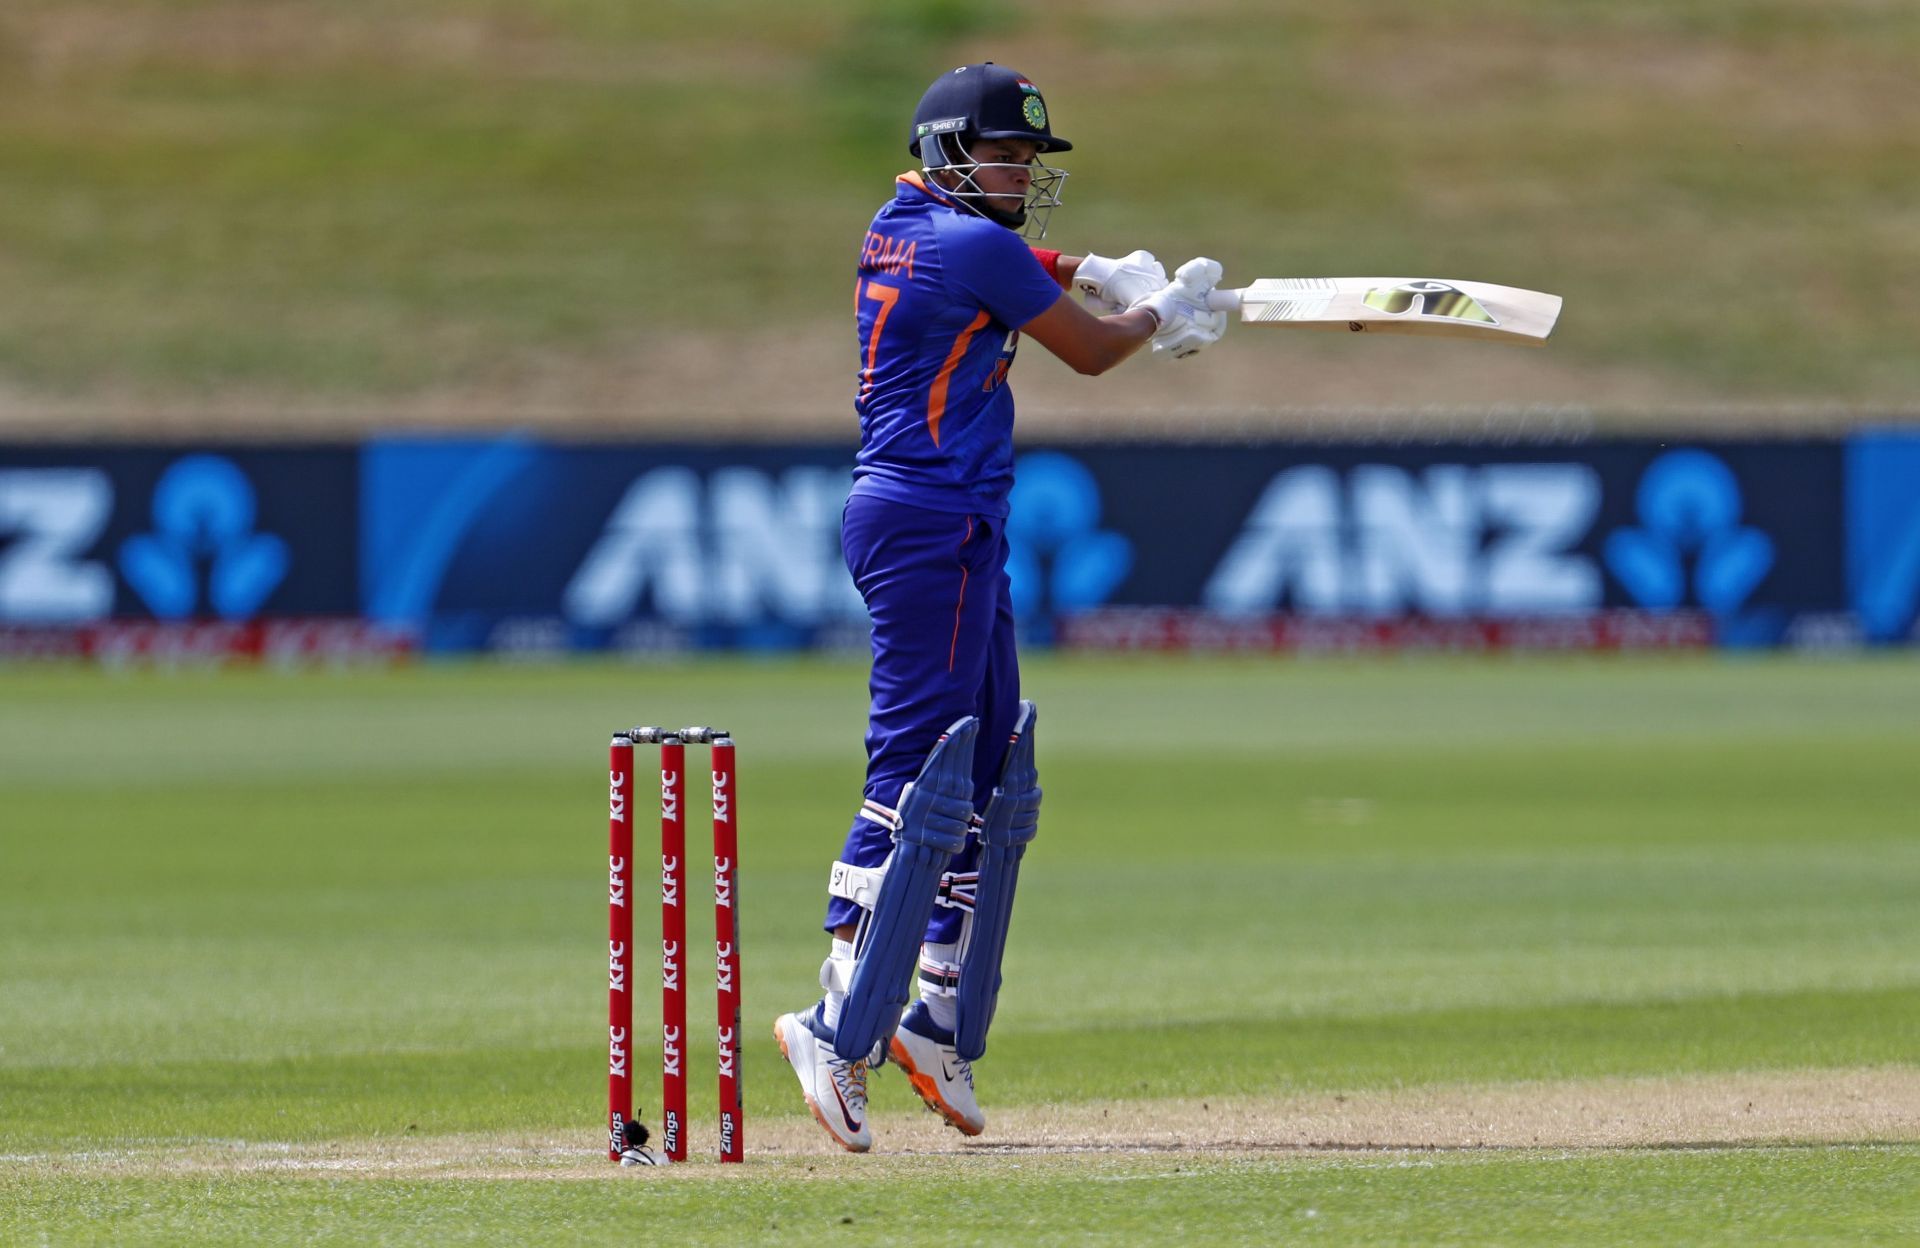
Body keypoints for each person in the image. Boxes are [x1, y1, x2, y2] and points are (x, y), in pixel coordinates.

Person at [773, 62, 1228, 1153]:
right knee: (917, 767)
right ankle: (833, 1015)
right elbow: (1092, 352)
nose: (1020, 172)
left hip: (944, 521)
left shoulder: (898, 223)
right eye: (1002, 155)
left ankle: (932, 1007)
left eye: (1029, 157)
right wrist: (1155, 309)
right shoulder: (971, 246)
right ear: (947, 153)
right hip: (929, 522)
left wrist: (1088, 265)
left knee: (989, 770)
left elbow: (1004, 261)